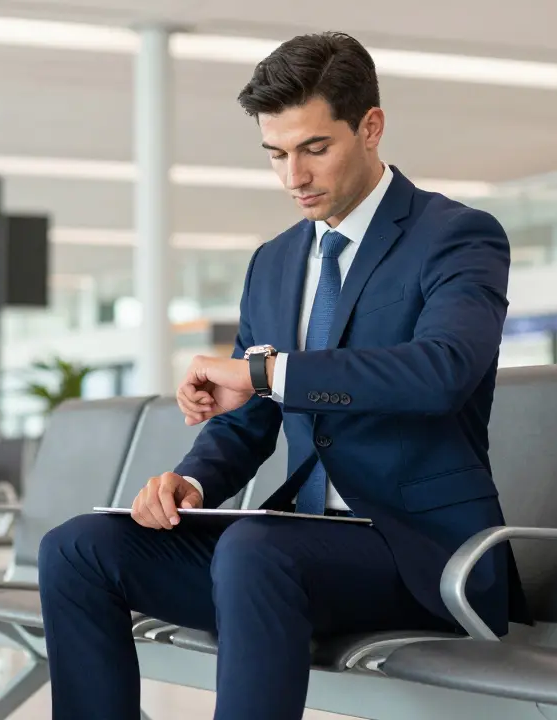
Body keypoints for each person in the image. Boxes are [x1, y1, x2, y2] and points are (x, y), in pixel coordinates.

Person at [37, 30, 531, 720]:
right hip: (289, 549)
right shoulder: (274, 262)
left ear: (371, 128)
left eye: (313, 149)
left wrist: (266, 371)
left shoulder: (455, 235)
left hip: (420, 555)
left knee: (256, 547)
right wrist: (195, 480)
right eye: (275, 154)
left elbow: (440, 372)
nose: (292, 176)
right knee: (78, 548)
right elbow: (250, 418)